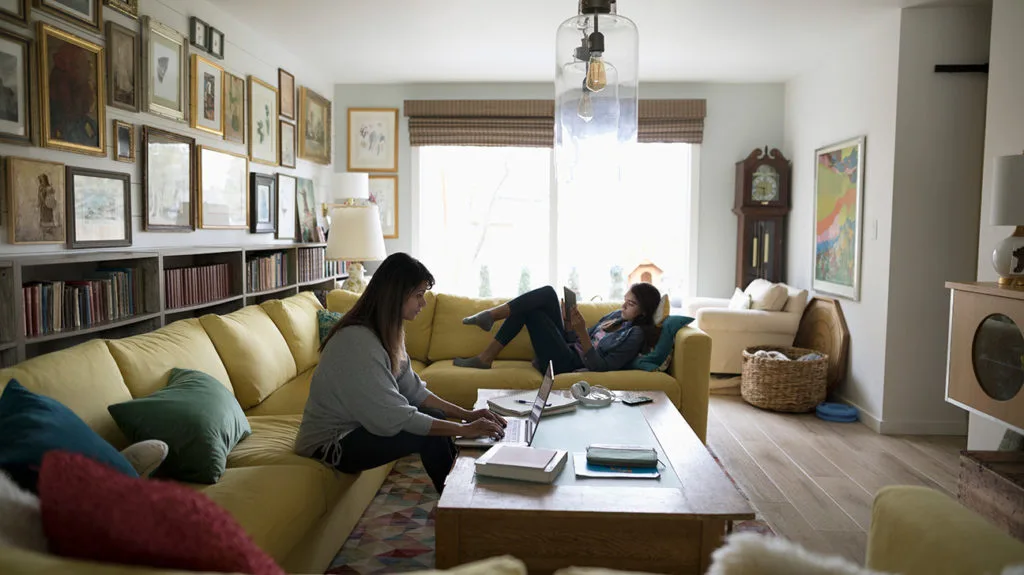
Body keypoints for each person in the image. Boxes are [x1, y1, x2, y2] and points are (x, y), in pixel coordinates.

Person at [294, 253, 506, 494]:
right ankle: (457, 505)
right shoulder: (357, 341)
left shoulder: (387, 331)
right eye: (418, 295)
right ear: (396, 295)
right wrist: (465, 429)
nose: (423, 303)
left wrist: (467, 414)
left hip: (357, 428)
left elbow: (414, 391)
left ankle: (459, 497)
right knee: (429, 436)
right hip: (331, 443)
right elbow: (394, 416)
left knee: (435, 415)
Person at [454, 283, 662, 375]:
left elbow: (601, 367)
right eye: (625, 300)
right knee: (547, 294)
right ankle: (488, 329)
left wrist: (581, 332)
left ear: (644, 312)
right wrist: (569, 323)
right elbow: (575, 339)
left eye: (631, 304)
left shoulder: (635, 334)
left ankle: (487, 339)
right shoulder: (615, 316)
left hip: (568, 364)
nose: (623, 306)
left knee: (532, 312)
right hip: (567, 348)